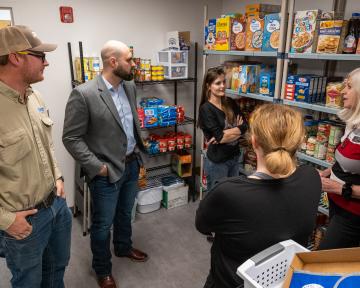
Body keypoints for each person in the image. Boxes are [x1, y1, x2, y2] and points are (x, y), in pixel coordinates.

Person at [196, 104, 322, 288]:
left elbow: (203, 225)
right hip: (285, 280)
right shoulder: (312, 178)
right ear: (299, 141)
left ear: (254, 142)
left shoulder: (228, 192)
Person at [62, 40, 148, 288]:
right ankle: (102, 269)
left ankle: (123, 247)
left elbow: (130, 124)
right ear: (113, 62)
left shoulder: (129, 86)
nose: (133, 64)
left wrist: (139, 153)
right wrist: (97, 167)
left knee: (125, 214)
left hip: (131, 164)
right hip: (105, 172)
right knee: (102, 225)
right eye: (129, 59)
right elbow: (71, 138)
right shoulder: (84, 94)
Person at [0, 25, 72, 287]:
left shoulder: (34, 96)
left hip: (56, 206)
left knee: (57, 271)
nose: (47, 62)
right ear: (16, 57)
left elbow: (46, 146)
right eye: (40, 56)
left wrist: (58, 176)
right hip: (24, 221)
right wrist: (6, 221)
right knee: (28, 281)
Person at [319, 68, 360, 250]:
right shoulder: (353, 123)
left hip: (353, 214)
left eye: (349, 87)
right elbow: (345, 162)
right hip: (337, 203)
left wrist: (338, 187)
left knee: (323, 260)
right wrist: (326, 173)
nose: (343, 91)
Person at [198, 66, 247, 192]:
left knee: (231, 196)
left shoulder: (230, 102)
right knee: (217, 199)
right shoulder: (206, 109)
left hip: (234, 158)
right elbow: (220, 138)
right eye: (218, 83)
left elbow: (244, 126)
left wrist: (226, 133)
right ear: (208, 86)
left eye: (224, 82)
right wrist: (236, 130)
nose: (222, 86)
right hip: (218, 162)